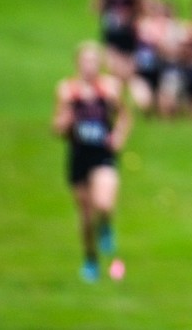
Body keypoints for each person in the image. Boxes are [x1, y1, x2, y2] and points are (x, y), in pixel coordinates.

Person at [52, 41, 131, 282]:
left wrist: (118, 136)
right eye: (85, 62)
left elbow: (125, 116)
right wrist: (63, 124)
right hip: (79, 157)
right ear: (77, 64)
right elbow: (57, 127)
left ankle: (106, 224)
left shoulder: (110, 89)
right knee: (85, 217)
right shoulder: (67, 91)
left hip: (103, 155)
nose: (90, 66)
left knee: (104, 203)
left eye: (94, 61)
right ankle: (90, 259)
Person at [91, 0, 144, 89]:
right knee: (112, 68)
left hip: (129, 30)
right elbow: (96, 7)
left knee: (128, 71)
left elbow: (140, 7)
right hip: (111, 29)